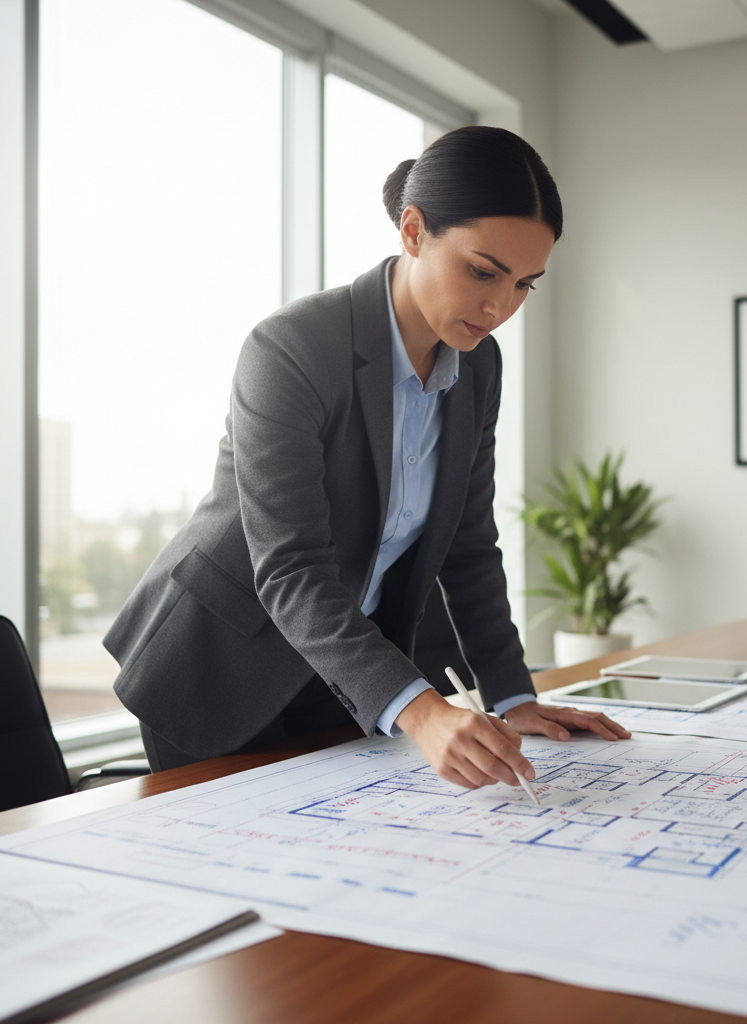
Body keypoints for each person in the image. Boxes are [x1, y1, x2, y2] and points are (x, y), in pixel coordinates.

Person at [104, 125, 630, 790]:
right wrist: (424, 712)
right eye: (482, 271)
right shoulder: (292, 346)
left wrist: (512, 698)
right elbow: (291, 568)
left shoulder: (478, 366)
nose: (500, 307)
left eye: (526, 284)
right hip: (221, 670)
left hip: (345, 675)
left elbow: (468, 545)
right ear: (413, 231)